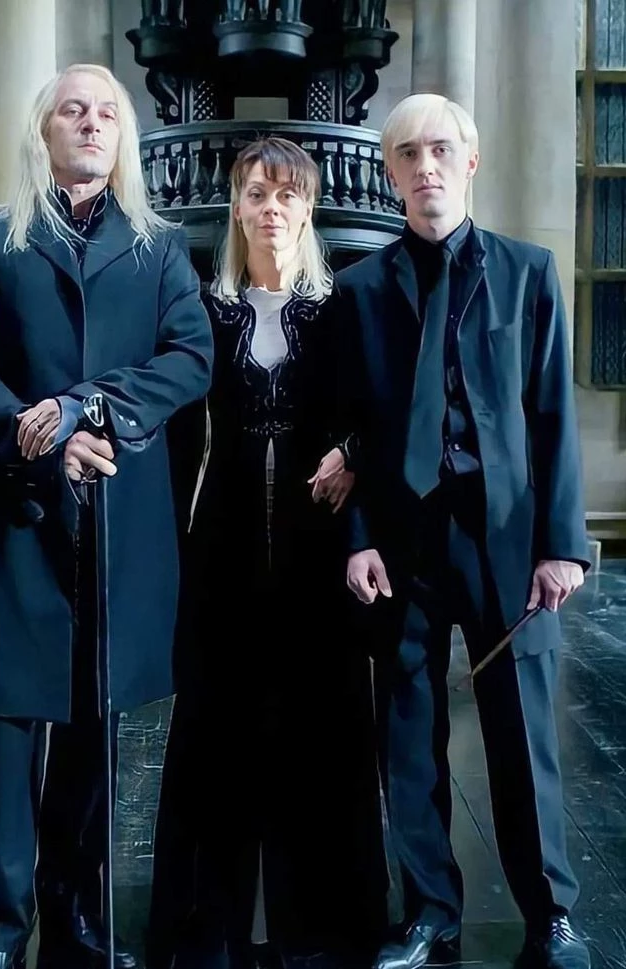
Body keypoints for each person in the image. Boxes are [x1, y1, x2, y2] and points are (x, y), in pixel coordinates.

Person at [0, 63, 212, 969]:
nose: (90, 123)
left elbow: (189, 358)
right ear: (44, 130)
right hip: (20, 509)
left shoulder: (160, 246)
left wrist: (89, 406)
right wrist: (43, 436)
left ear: (122, 137)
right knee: (7, 722)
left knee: (97, 718)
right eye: (72, 110)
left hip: (122, 515)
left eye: (106, 113)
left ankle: (75, 913)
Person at [335, 93, 591, 969]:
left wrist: (562, 544)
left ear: (469, 160)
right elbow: (348, 431)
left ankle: (551, 914)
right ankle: (429, 913)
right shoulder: (359, 291)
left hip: (506, 538)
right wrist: (358, 536)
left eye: (441, 149)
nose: (426, 167)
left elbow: (552, 415)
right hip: (401, 537)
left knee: (524, 731)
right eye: (408, 154)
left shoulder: (528, 273)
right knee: (407, 733)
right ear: (390, 173)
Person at [147, 137, 387, 969]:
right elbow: (178, 428)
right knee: (218, 721)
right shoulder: (205, 311)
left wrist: (352, 449)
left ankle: (318, 925)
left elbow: (376, 410)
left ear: (309, 208)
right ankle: (207, 922)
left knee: (320, 723)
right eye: (257, 193)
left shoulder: (340, 309)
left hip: (321, 536)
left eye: (287, 195)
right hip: (226, 532)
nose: (272, 208)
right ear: (237, 208)